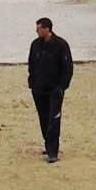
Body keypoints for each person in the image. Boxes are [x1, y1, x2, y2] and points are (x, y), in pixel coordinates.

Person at [26, 17, 74, 164]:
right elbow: (31, 64)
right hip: (39, 88)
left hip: (54, 89)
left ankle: (53, 150)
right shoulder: (35, 45)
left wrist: (61, 87)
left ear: (47, 29)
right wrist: (32, 82)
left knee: (54, 119)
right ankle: (48, 142)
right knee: (43, 117)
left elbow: (67, 68)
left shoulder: (60, 45)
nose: (36, 31)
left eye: (39, 28)